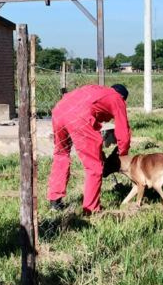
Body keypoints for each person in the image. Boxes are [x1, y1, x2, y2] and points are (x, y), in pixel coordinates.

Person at [48, 84, 132, 215]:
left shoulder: (96, 89)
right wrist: (121, 155)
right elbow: (123, 134)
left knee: (61, 154)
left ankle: (55, 201)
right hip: (79, 117)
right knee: (94, 166)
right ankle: (91, 210)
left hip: (59, 111)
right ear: (122, 97)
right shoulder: (117, 98)